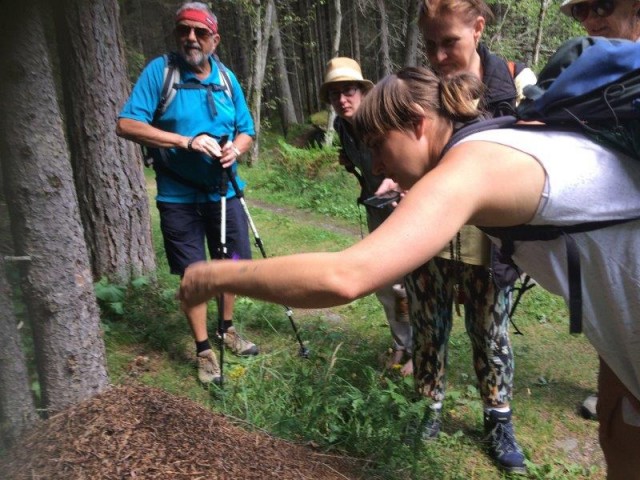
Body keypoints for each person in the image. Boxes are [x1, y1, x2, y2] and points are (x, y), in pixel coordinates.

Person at [179, 66, 640, 480]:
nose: (377, 165)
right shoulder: (496, 141)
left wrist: (217, 275)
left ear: (419, 123)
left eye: (379, 146)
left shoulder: (473, 166)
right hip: (621, 327)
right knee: (618, 443)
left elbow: (346, 275)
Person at [403, 0, 535, 473]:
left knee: (490, 332)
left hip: (489, 238)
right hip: (430, 231)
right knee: (427, 325)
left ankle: (498, 421)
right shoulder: (421, 89)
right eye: (431, 45)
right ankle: (428, 410)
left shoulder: (515, 84)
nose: (439, 56)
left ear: (478, 29)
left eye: (450, 43)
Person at [116, 2, 259, 385]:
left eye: (199, 32)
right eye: (184, 30)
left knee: (230, 266)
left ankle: (226, 328)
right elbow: (127, 124)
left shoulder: (228, 79)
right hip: (178, 195)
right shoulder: (159, 72)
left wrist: (237, 149)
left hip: (224, 191)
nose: (190, 38)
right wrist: (184, 141)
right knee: (194, 275)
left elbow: (247, 129)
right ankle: (204, 350)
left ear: (215, 39)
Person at [560, 0, 640, 422]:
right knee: (615, 428)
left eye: (604, 6)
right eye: (582, 12)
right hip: (621, 263)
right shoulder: (601, 78)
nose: (591, 21)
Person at [319, 57, 413, 375]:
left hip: (407, 209)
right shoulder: (341, 126)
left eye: (349, 91)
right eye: (335, 95)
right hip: (376, 210)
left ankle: (421, 351)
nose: (342, 100)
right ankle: (402, 344)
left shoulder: (385, 120)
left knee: (412, 282)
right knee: (384, 282)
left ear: (362, 91)